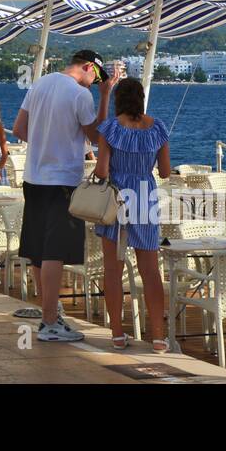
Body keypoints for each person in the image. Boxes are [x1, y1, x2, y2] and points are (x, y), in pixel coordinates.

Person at [13, 49, 121, 342]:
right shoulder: (80, 94)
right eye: (95, 76)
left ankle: (50, 310)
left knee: (38, 249)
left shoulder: (40, 83)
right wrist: (106, 96)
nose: (94, 82)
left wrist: (45, 140)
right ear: (87, 67)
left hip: (33, 177)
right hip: (62, 181)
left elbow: (19, 129)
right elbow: (97, 136)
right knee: (54, 252)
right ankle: (49, 322)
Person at [92, 77, 170, 351]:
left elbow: (101, 171)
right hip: (145, 199)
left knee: (114, 270)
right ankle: (158, 337)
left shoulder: (110, 128)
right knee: (150, 271)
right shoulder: (157, 127)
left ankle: (116, 334)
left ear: (118, 100)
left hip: (116, 198)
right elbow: (165, 171)